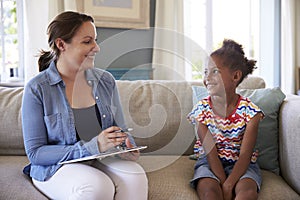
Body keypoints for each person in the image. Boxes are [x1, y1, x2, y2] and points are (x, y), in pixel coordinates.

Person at [21, 11, 148, 200]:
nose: (96, 48)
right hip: (56, 166)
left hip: (99, 158)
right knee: (97, 186)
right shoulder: (37, 88)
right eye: (87, 41)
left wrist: (126, 146)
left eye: (95, 40)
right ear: (61, 44)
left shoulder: (106, 81)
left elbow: (120, 130)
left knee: (135, 176)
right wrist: (92, 146)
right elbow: (36, 153)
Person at [187, 39, 264, 200]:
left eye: (214, 71)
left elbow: (245, 155)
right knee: (209, 192)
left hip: (243, 166)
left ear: (235, 76)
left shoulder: (251, 113)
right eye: (205, 72)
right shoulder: (202, 111)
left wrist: (229, 185)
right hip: (210, 164)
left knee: (248, 192)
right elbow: (211, 153)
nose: (207, 77)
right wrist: (222, 182)